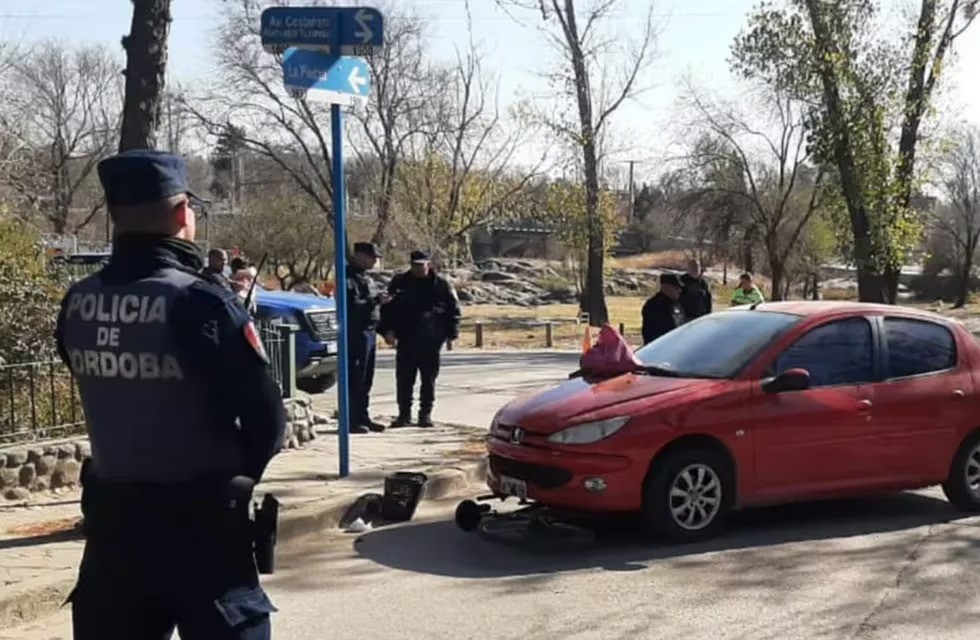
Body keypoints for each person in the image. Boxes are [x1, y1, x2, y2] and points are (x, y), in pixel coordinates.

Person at [54, 149, 285, 640]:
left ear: (114, 216)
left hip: (114, 537)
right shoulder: (200, 302)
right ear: (183, 214)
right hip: (202, 534)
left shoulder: (78, 301)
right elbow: (267, 422)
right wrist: (231, 482)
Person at [381, 250, 461, 428]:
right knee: (404, 379)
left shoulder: (440, 284)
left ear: (429, 265)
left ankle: (425, 414)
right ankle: (404, 415)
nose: (419, 269)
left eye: (422, 265)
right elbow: (387, 309)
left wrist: (451, 334)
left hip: (431, 340)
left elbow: (453, 310)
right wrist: (387, 331)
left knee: (428, 379)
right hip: (406, 338)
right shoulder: (400, 282)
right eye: (415, 265)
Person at [345, 242, 388, 434]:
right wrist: (376, 301)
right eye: (372, 257)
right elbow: (353, 307)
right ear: (360, 256)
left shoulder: (365, 278)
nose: (374, 262)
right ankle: (352, 420)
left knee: (366, 379)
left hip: (369, 332)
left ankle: (363, 416)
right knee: (356, 378)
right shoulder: (347, 278)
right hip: (356, 333)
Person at [641, 273, 687, 344]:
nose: (679, 291)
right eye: (676, 288)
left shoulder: (677, 304)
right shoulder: (654, 305)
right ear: (666, 287)